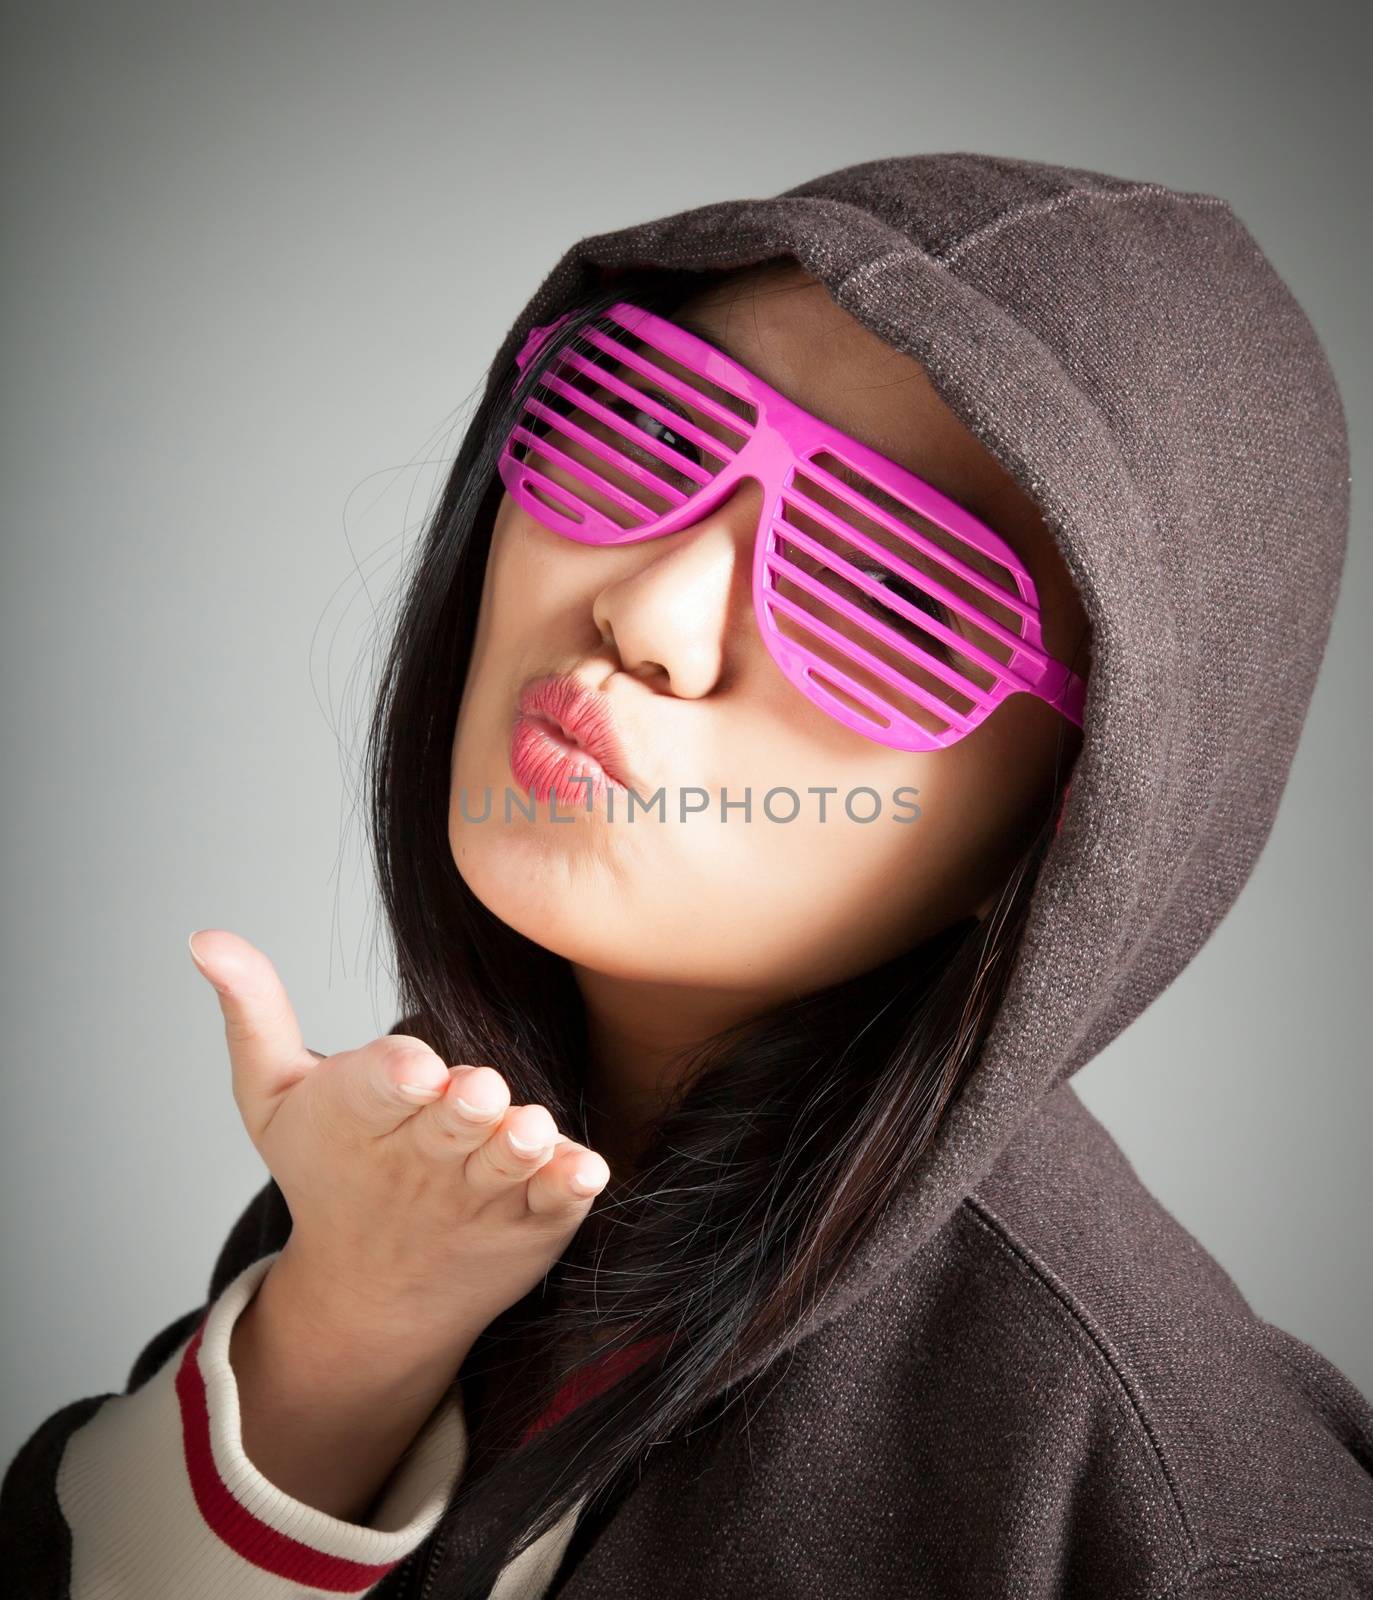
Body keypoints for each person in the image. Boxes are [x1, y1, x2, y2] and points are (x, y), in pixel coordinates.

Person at [3, 151, 1370, 1600]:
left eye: (892, 585)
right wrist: (343, 1324)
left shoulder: (1176, 1533)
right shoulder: (434, 1162)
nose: (646, 610)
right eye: (643, 426)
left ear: (1073, 826)